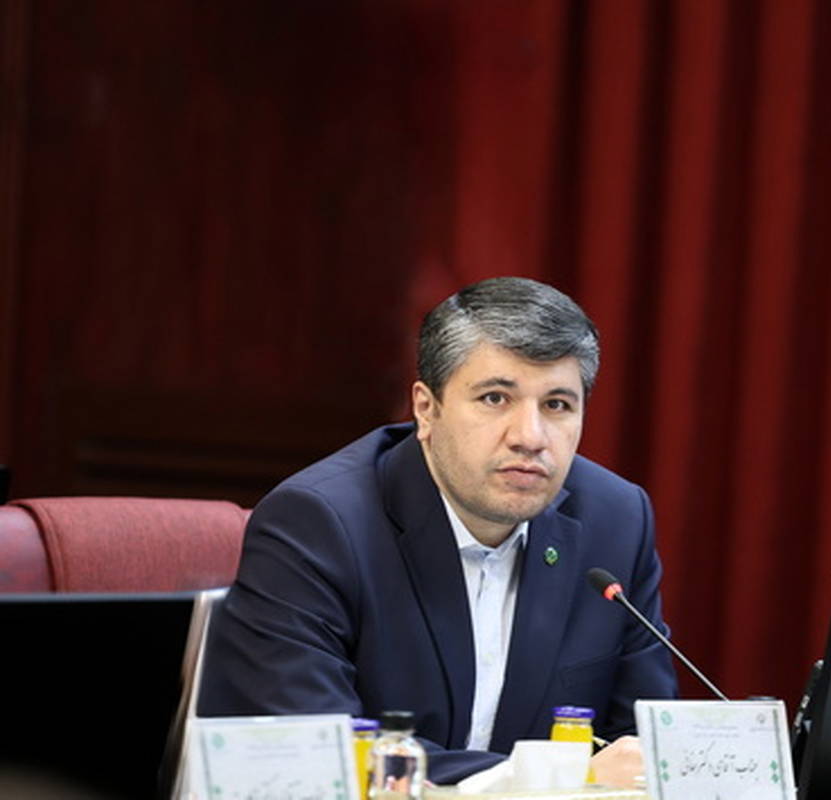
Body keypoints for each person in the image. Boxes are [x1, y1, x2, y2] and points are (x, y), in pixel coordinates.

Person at [198, 276, 678, 785]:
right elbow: (320, 753)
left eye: (557, 405)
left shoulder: (615, 521)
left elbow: (641, 745)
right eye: (495, 398)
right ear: (426, 409)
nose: (530, 437)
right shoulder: (319, 524)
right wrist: (561, 778)